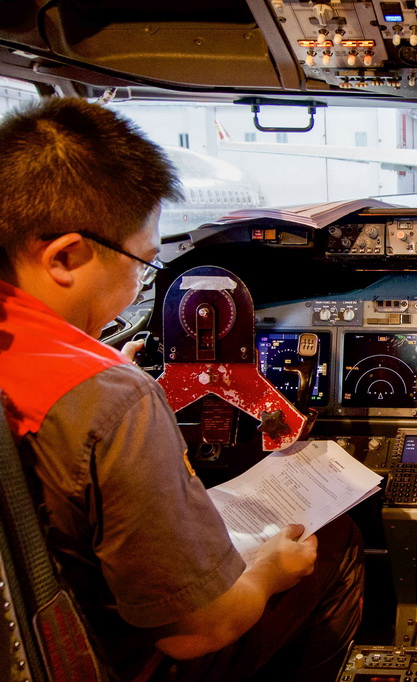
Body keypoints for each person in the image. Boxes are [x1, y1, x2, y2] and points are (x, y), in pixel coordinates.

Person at [0, 97, 364, 680]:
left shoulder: (67, 373)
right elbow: (198, 632)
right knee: (335, 539)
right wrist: (269, 569)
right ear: (66, 256)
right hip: (114, 661)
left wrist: (105, 377)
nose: (142, 279)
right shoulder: (111, 400)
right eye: (142, 263)